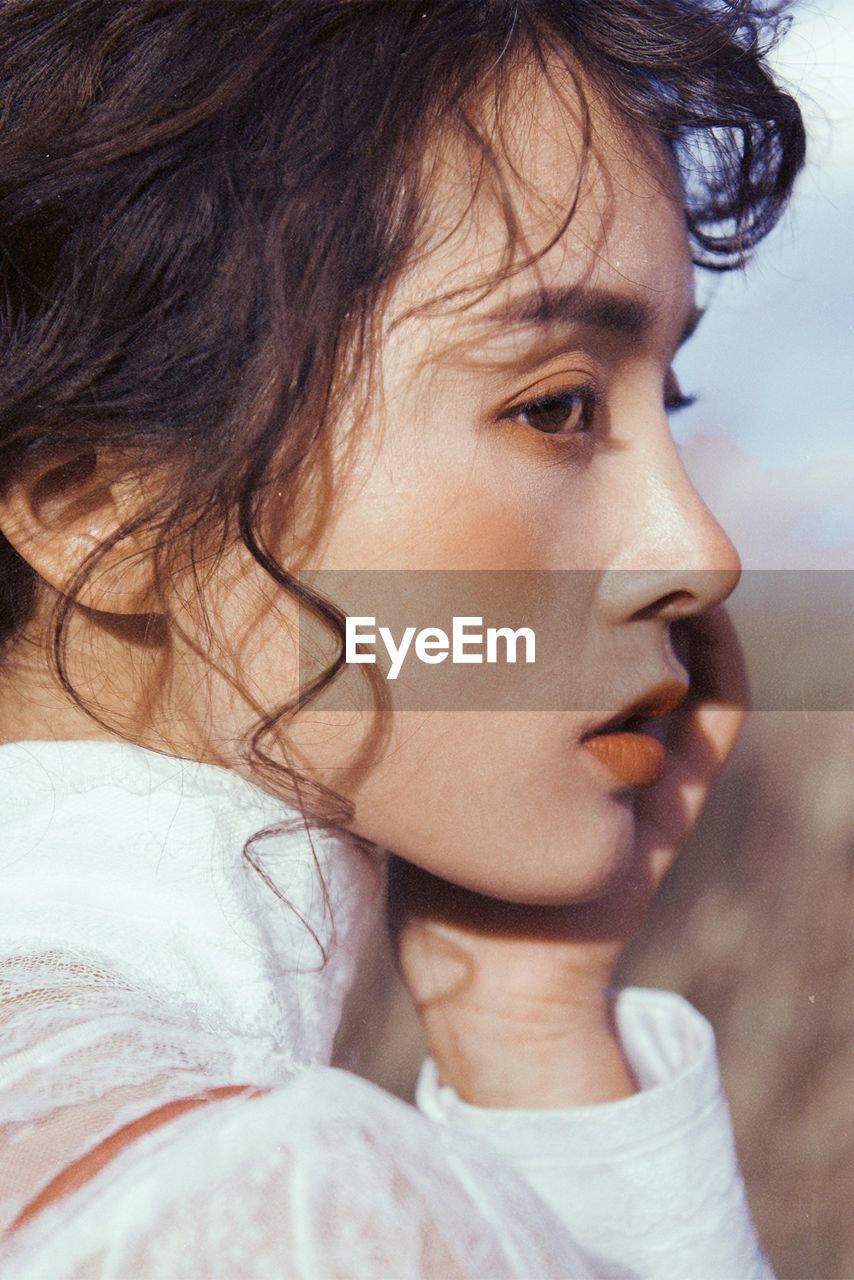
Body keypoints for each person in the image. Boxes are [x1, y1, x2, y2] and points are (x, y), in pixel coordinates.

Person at [0, 1, 805, 1276]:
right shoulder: (289, 1200)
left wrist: (529, 1028)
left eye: (671, 397)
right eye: (555, 407)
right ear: (103, 509)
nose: (697, 552)